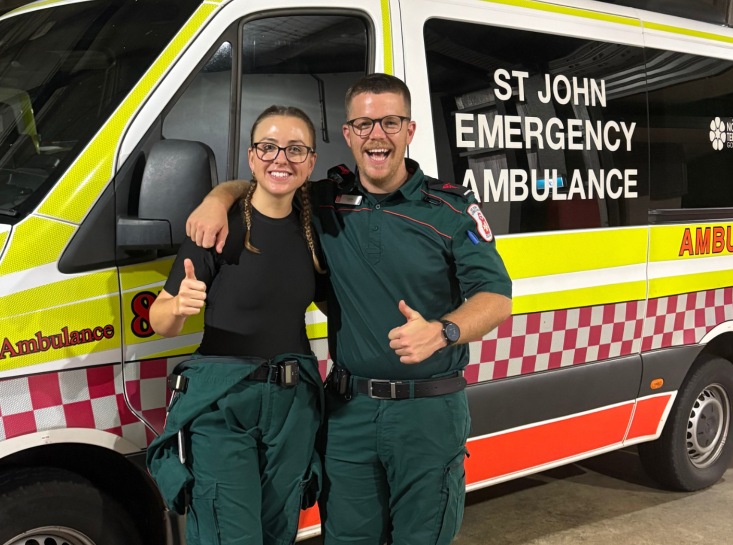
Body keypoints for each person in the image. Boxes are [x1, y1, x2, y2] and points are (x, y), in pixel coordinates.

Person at [184, 74, 513, 545]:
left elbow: (496, 296)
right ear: (348, 134)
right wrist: (219, 198)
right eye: (363, 123)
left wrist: (444, 331)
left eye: (390, 122)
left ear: (410, 130)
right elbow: (271, 179)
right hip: (348, 413)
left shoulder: (450, 210)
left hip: (427, 412)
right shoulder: (324, 200)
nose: (376, 134)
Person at [145, 105, 327, 545]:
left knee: (278, 530)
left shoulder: (318, 225)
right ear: (251, 156)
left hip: (293, 404)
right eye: (268, 147)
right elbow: (160, 320)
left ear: (311, 161)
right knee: (229, 535)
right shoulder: (217, 226)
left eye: (295, 149)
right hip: (223, 402)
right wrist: (179, 307)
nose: (280, 159)